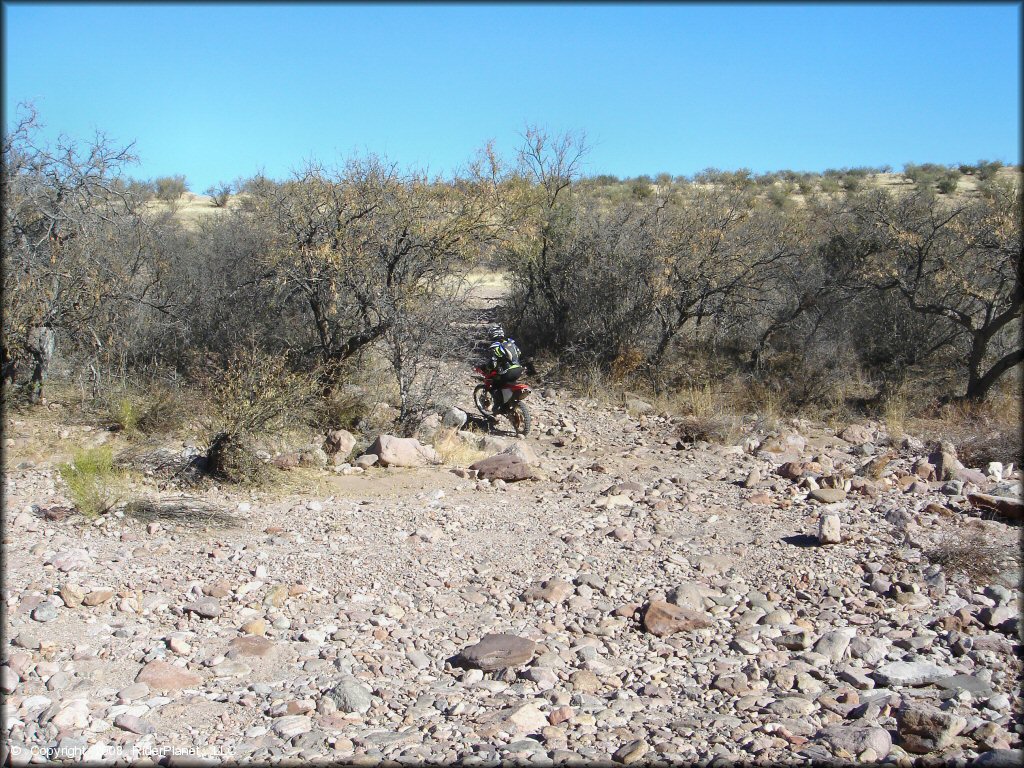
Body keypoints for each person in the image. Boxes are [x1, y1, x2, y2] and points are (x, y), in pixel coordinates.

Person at [482, 324, 523, 414]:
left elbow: (493, 361)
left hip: (508, 371)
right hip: (519, 369)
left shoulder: (495, 345)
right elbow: (519, 353)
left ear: (492, 334)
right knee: (506, 384)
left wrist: (487, 368)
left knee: (494, 385)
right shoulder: (510, 342)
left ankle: (498, 406)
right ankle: (508, 401)